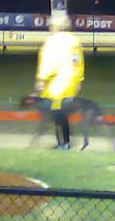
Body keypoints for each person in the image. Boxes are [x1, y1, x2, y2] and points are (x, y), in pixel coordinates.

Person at [33, 14, 85, 150]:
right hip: (71, 83)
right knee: (61, 114)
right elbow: (77, 62)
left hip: (55, 85)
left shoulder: (51, 41)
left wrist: (41, 80)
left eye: (51, 25)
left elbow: (47, 64)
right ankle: (65, 142)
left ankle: (62, 143)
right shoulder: (75, 41)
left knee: (55, 114)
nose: (49, 27)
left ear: (56, 26)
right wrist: (79, 81)